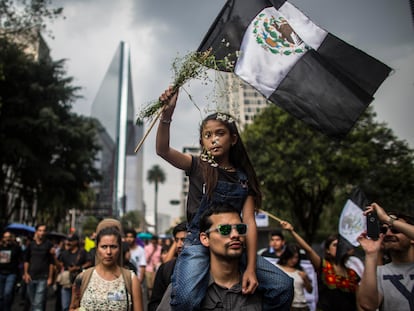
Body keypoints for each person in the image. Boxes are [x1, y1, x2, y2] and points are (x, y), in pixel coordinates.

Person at [156, 86, 293, 311]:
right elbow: (162, 150)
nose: (214, 139)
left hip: (234, 240)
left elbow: (248, 222)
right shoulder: (197, 166)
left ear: (234, 139)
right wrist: (167, 116)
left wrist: (249, 268)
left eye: (220, 133)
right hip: (197, 242)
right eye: (207, 135)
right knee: (185, 299)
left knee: (283, 285)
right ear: (202, 143)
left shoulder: (243, 178)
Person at [157, 203, 265, 310]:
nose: (235, 235)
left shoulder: (261, 287)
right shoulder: (183, 290)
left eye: (240, 228)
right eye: (224, 229)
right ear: (205, 239)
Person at [280, 220, 360, 311]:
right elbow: (308, 250)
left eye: (340, 245)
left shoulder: (352, 274)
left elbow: (359, 302)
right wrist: (291, 231)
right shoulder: (324, 267)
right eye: (335, 245)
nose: (338, 248)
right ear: (327, 250)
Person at [69, 219, 143, 311]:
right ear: (96, 248)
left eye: (113, 247)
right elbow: (73, 307)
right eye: (104, 247)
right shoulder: (83, 278)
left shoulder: (131, 279)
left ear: (120, 249)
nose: (108, 252)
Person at [357, 205, 414, 311]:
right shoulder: (378, 273)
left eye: (395, 229)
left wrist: (387, 219)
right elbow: (367, 305)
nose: (388, 233)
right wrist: (371, 254)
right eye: (383, 230)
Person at [148, 222, 187, 311]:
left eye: (184, 240)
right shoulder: (166, 269)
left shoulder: (207, 268)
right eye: (177, 240)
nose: (179, 245)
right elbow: (154, 303)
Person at [23, 224, 54, 311]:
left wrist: (50, 278)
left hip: (43, 277)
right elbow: (26, 260)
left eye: (44, 230)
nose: (42, 233)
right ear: (36, 232)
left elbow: (51, 263)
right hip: (31, 277)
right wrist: (26, 273)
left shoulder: (49, 245)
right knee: (33, 303)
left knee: (38, 303)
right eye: (40, 230)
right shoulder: (31, 245)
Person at [57, 234, 91, 311]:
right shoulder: (64, 253)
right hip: (67, 282)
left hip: (79, 282)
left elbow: (89, 262)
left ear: (76, 242)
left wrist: (78, 268)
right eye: (68, 240)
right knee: (65, 306)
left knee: (77, 306)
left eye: (71, 241)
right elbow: (59, 265)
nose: (69, 242)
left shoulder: (82, 252)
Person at [276, 243, 313, 311]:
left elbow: (310, 290)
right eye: (291, 257)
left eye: (296, 257)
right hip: (288, 306)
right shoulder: (278, 269)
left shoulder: (300, 270)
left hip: (303, 306)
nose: (293, 260)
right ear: (286, 256)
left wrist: (305, 279)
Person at [0, 231, 22, 311]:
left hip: (11, 273)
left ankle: (7, 308)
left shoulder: (15, 248)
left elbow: (20, 259)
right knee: (1, 295)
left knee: (7, 293)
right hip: (1, 272)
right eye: (5, 237)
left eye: (9, 237)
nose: (7, 239)